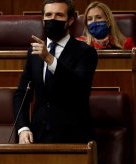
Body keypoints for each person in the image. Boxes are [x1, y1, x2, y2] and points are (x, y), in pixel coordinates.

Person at [13, 0, 98, 144]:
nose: (52, 19)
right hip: (38, 136)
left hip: (73, 137)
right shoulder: (34, 52)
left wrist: (50, 59)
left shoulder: (85, 52)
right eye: (48, 15)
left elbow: (79, 88)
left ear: (70, 20)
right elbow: (22, 94)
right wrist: (23, 128)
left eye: (59, 15)